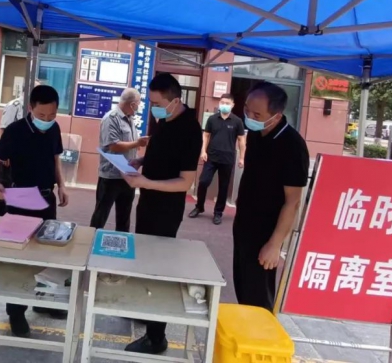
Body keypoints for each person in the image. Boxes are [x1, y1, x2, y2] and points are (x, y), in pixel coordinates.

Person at [122, 73, 202, 355]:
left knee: (159, 269)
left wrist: (146, 183)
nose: (153, 109)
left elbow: (185, 182)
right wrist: (140, 160)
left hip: (166, 210)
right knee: (143, 261)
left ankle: (156, 337)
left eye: (157, 104)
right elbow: (162, 154)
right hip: (148, 202)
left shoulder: (190, 130)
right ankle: (145, 311)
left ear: (175, 100)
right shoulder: (164, 121)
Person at [0, 84, 70, 338]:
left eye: (52, 114)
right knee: (21, 258)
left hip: (46, 198)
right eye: (42, 115)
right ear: (31, 108)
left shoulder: (54, 128)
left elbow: (55, 159)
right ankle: (16, 311)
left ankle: (43, 300)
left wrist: (62, 185)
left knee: (46, 254)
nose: (47, 119)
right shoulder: (15, 131)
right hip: (20, 199)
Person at [233, 81, 309, 311]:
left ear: (276, 115)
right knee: (243, 286)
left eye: (257, 114)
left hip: (266, 233)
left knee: (258, 296)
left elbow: (292, 202)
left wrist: (275, 244)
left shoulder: (292, 146)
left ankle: (259, 334)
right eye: (247, 110)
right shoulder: (256, 135)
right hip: (244, 225)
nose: (249, 117)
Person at [89, 88, 149, 232]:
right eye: (138, 104)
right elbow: (113, 145)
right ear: (132, 104)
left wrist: (136, 147)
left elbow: (129, 144)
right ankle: (90, 239)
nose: (138, 107)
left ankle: (122, 241)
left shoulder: (130, 119)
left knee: (124, 217)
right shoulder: (111, 119)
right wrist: (137, 143)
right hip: (111, 177)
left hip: (128, 176)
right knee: (101, 214)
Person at [189, 93, 245, 224]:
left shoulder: (237, 121)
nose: (224, 105)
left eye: (227, 103)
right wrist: (203, 151)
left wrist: (242, 158)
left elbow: (241, 140)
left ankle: (218, 213)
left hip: (227, 158)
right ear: (219, 103)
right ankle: (199, 207)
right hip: (211, 156)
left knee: (223, 187)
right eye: (222, 102)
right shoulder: (212, 119)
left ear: (232, 105)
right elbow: (206, 135)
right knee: (203, 182)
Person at [0, 80, 40, 192]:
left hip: (26, 158)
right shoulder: (14, 105)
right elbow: (3, 129)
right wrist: (4, 154)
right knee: (6, 192)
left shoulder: (34, 108)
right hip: (11, 157)